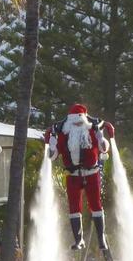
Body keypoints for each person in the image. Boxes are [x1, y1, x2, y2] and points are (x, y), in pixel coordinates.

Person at [44, 103, 115, 249]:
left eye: (79, 120)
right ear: (69, 121)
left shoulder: (91, 132)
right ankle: (78, 240)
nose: (77, 123)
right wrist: (51, 147)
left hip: (91, 173)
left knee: (95, 204)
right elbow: (53, 156)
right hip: (73, 175)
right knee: (74, 207)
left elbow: (103, 149)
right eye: (74, 121)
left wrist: (101, 139)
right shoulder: (63, 135)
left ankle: (101, 239)